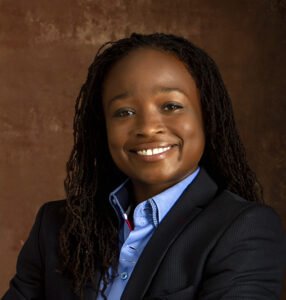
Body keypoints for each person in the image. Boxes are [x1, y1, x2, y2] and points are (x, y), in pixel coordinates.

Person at [2, 33, 286, 300]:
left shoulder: (244, 229)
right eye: (124, 112)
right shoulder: (56, 226)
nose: (148, 128)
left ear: (206, 115)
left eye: (171, 106)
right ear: (104, 128)